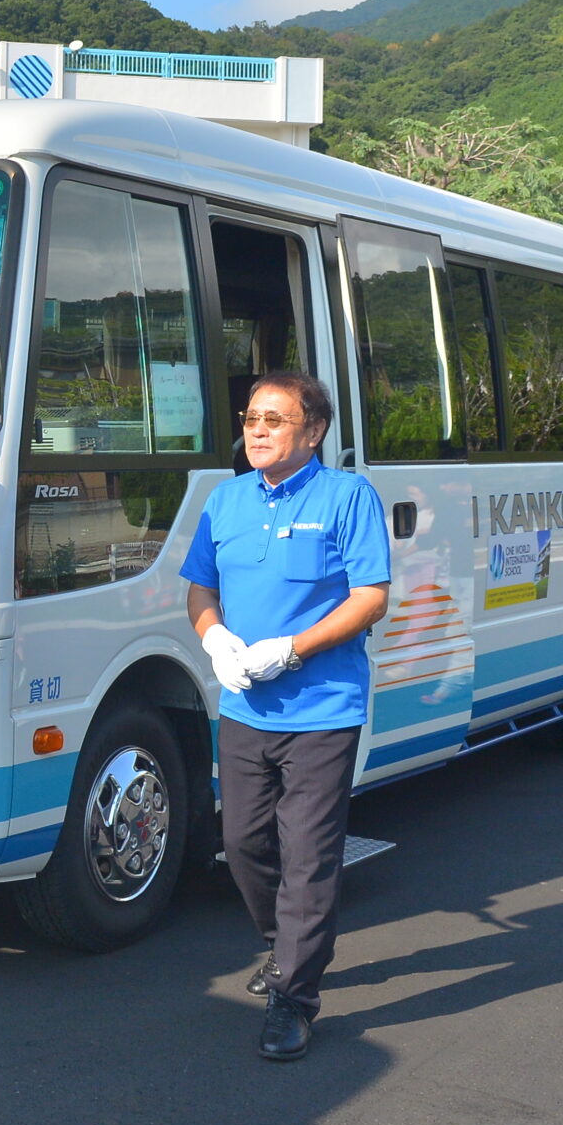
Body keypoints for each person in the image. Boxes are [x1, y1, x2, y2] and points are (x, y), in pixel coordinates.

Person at [182, 369, 390, 1062]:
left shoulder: (346, 496)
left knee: (309, 853)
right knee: (242, 843)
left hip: (322, 707)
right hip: (244, 705)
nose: (259, 431)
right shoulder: (226, 499)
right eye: (250, 420)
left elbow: (369, 596)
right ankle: (285, 946)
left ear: (315, 431)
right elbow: (201, 587)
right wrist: (214, 637)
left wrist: (292, 650)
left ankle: (294, 997)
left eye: (275, 420)